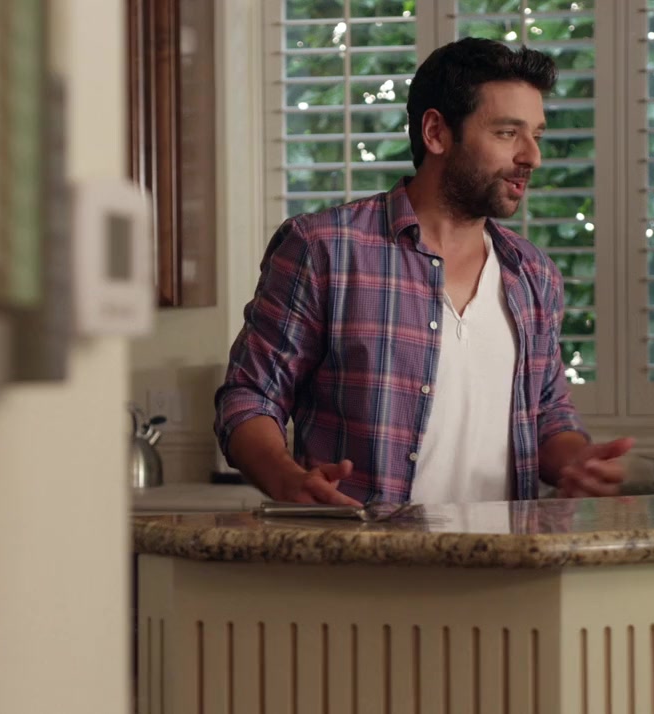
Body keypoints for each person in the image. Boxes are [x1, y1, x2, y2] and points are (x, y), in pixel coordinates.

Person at [214, 38, 632, 506]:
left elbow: (548, 415)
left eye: (536, 134)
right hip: (364, 548)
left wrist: (576, 462)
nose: (531, 156)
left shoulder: (535, 274)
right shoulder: (324, 249)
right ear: (436, 132)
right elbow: (249, 397)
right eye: (507, 133)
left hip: (505, 550)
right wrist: (286, 480)